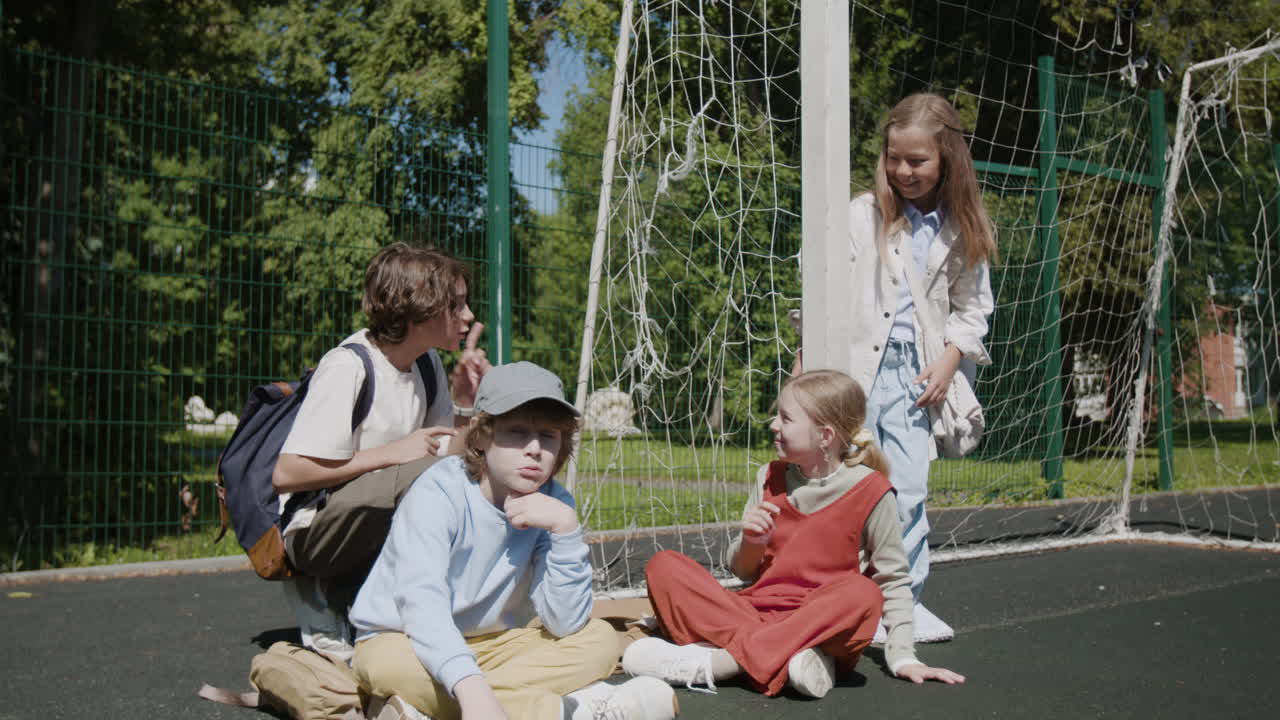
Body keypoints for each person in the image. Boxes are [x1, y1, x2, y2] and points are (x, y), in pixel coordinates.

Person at [348, 362, 678, 720]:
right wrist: (471, 688)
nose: (535, 449)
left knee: (598, 641)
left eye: (549, 435)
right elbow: (421, 604)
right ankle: (569, 711)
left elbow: (564, 623)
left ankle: (424, 710)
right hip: (404, 638)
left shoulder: (554, 503)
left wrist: (566, 531)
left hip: (494, 644)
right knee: (387, 667)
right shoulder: (438, 492)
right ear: (482, 435)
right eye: (517, 432)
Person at [621, 370, 965, 697]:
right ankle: (791, 662)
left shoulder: (872, 491)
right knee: (664, 566)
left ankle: (719, 664)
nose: (773, 425)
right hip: (754, 614)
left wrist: (904, 656)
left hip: (824, 627)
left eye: (785, 419)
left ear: (825, 436)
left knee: (863, 593)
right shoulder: (768, 476)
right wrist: (752, 543)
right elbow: (742, 571)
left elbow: (893, 581)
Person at [273, 242, 492, 660]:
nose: (468, 317)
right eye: (457, 305)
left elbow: (451, 451)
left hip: (373, 517)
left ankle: (390, 604)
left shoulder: (426, 366)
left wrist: (467, 402)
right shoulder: (349, 365)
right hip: (314, 533)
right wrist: (395, 452)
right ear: (421, 307)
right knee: (427, 473)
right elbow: (287, 473)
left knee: (469, 470)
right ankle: (318, 588)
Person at [849, 92, 996, 641]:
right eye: (894, 158)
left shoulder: (965, 227)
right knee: (845, 487)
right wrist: (807, 364)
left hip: (919, 375)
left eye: (917, 161)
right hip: (855, 369)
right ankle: (844, 600)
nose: (903, 171)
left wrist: (949, 362)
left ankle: (902, 605)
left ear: (946, 161)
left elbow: (973, 309)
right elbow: (824, 291)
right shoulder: (863, 215)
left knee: (907, 490)